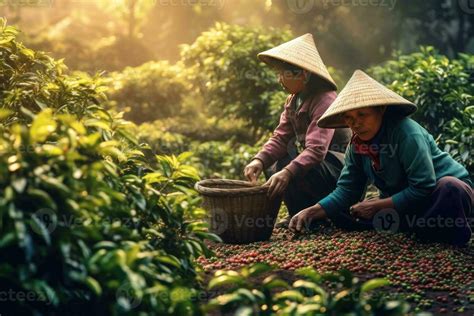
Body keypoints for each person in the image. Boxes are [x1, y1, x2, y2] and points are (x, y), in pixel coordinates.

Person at [289, 70, 473, 245]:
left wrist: (378, 206)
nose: (356, 123)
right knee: (343, 214)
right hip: (405, 204)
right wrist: (312, 211)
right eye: (349, 118)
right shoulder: (357, 145)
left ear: (381, 109)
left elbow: (424, 186)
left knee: (450, 187)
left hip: (439, 194)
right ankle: (416, 228)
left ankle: (431, 229)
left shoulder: (406, 133)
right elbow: (347, 190)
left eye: (362, 114)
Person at [243, 33, 351, 227]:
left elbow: (317, 150)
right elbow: (281, 137)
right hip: (321, 165)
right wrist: (259, 159)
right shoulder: (293, 100)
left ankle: (322, 212)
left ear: (303, 74)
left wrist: (287, 172)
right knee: (274, 164)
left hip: (339, 169)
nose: (279, 80)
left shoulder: (325, 99)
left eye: (283, 74)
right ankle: (297, 212)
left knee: (291, 167)